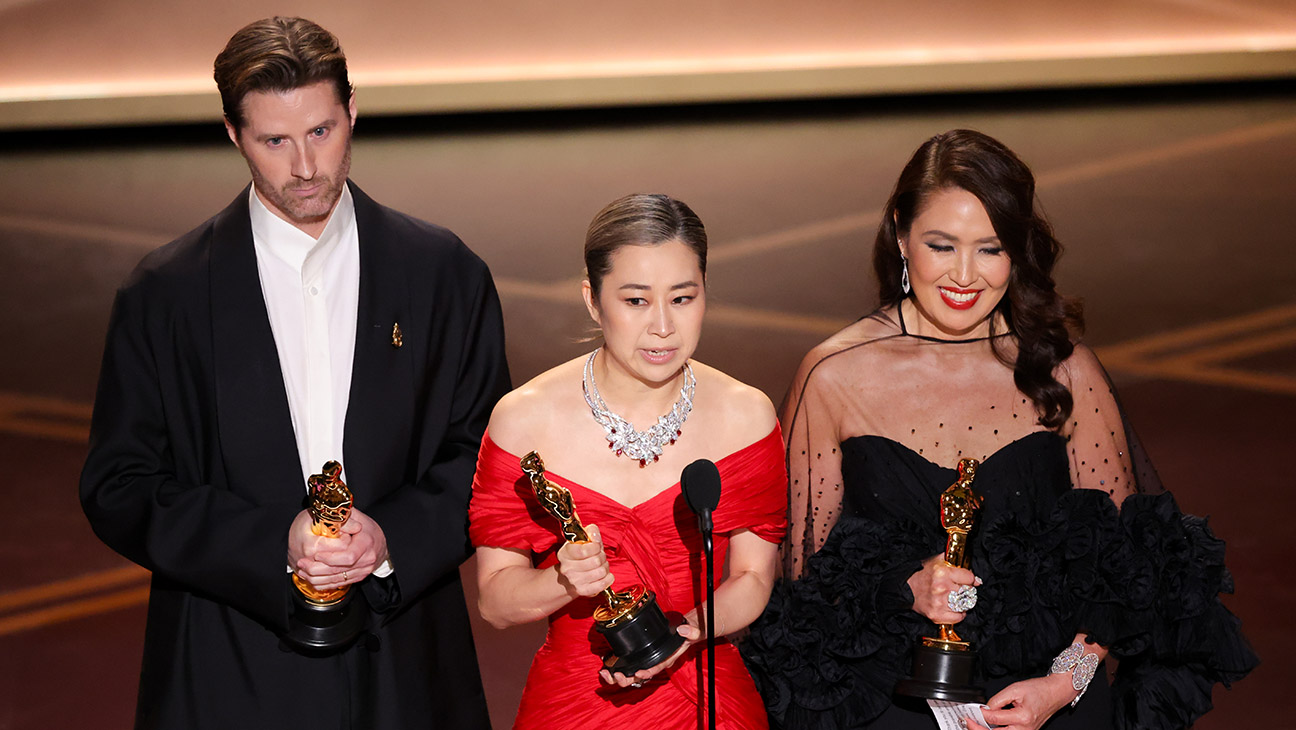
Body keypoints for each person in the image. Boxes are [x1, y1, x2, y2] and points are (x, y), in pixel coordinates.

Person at [741, 129, 1257, 730]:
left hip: (1048, 694)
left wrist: (1065, 681)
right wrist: (905, 587)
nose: (965, 275)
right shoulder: (833, 375)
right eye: (942, 245)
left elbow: (1127, 567)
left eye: (990, 249)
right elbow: (803, 575)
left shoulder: (1063, 369)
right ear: (901, 237)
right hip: (892, 697)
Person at [79, 17, 508, 729]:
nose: (305, 167)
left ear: (352, 113)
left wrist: (390, 537)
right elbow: (118, 484)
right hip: (227, 660)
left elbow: (487, 456)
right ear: (232, 135)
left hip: (403, 660)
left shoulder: (443, 273)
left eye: (322, 132)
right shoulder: (167, 294)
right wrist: (269, 543)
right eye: (274, 141)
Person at [469, 193, 787, 728]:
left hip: (705, 689)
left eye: (683, 299)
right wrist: (563, 581)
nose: (663, 326)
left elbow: (754, 578)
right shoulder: (524, 421)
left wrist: (687, 633)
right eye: (636, 301)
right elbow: (496, 603)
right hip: (576, 699)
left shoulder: (746, 416)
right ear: (593, 301)